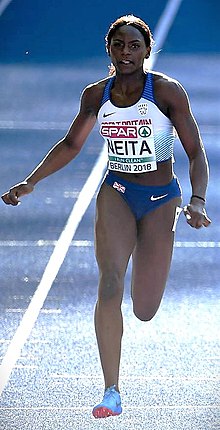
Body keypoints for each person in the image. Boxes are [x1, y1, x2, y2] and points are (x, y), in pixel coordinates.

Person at [2, 15, 211, 419]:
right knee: (110, 282)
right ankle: (111, 389)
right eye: (119, 46)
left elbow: (196, 152)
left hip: (161, 199)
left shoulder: (167, 93)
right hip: (116, 192)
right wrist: (32, 182)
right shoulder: (96, 96)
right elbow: (71, 144)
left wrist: (198, 199)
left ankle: (147, 273)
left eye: (134, 46)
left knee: (145, 308)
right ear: (109, 50)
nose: (126, 53)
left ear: (147, 50)